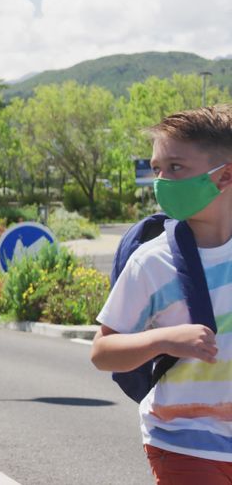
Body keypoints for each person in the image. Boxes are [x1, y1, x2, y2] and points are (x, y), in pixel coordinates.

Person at [92, 105, 232, 483]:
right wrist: (164, 339)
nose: (161, 182)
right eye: (157, 169)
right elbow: (102, 352)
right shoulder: (151, 262)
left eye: (175, 168)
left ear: (225, 175)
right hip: (183, 443)